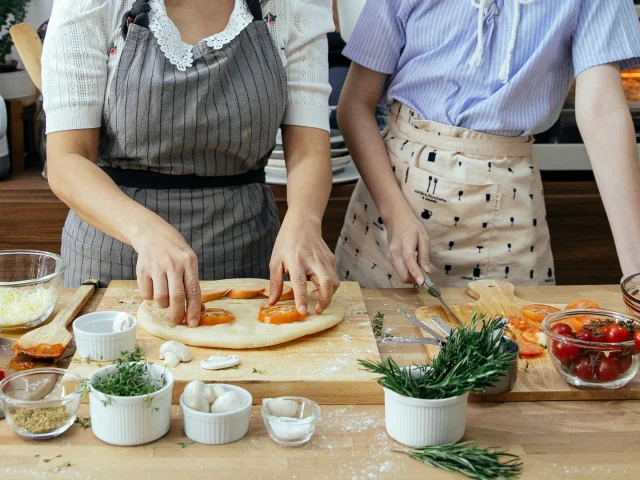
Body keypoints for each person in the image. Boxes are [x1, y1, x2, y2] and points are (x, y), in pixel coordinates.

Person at [42, 0, 339, 326]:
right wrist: (146, 232)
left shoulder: (291, 7)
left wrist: (305, 220)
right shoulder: (93, 6)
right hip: (115, 265)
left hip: (244, 258)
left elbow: (308, 150)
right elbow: (66, 158)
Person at [335, 0, 640, 288]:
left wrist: (637, 275)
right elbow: (355, 106)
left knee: (516, 339)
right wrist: (394, 213)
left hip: (509, 208)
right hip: (392, 199)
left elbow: (603, 112)